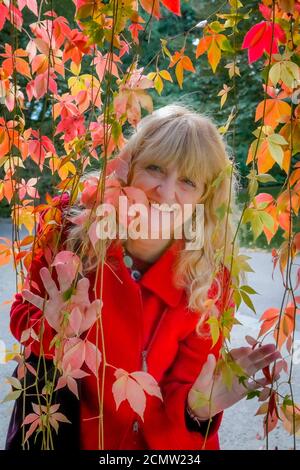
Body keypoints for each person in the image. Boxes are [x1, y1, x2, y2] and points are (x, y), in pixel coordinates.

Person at [6, 104, 281, 450]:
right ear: (129, 167)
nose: (165, 192)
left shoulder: (209, 281)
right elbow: (23, 315)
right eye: (155, 168)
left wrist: (197, 411)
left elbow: (186, 397)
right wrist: (52, 328)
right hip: (66, 434)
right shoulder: (70, 227)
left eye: (187, 181)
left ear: (203, 199)